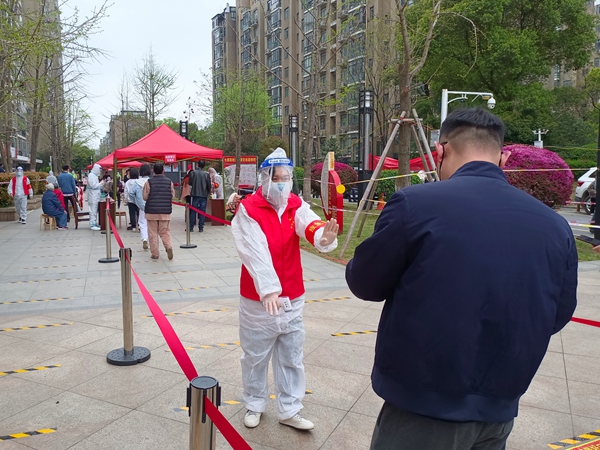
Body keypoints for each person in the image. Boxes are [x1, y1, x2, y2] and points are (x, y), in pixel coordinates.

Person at [345, 108, 578, 450]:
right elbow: (559, 313)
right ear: (504, 157)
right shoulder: (554, 225)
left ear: (439, 151)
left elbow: (365, 282)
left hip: (422, 405)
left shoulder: (415, 204)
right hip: (500, 407)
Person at [231, 148, 339, 431]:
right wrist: (268, 289)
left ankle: (290, 409)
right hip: (258, 300)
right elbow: (253, 250)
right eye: (276, 178)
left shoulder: (295, 204)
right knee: (255, 357)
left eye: (286, 178)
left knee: (291, 356)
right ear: (265, 179)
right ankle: (254, 404)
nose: (281, 183)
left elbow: (310, 224)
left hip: (292, 293)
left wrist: (323, 237)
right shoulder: (249, 209)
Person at [142, 163, 174, 260]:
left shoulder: (149, 182)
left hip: (151, 212)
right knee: (164, 232)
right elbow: (172, 196)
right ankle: (168, 246)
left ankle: (155, 253)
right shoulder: (169, 182)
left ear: (153, 171)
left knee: (153, 233)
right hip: (165, 212)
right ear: (163, 171)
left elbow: (145, 197)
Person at [130, 164, 151, 250]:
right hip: (152, 205)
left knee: (142, 222)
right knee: (151, 223)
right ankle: (151, 240)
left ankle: (144, 238)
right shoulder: (151, 181)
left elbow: (131, 193)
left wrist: (136, 201)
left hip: (142, 206)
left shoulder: (137, 182)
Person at [188, 160, 212, 232]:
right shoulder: (206, 174)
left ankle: (191, 227)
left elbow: (190, 183)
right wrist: (208, 193)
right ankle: (201, 227)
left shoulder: (193, 173)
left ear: (197, 165)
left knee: (193, 211)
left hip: (195, 194)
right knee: (202, 212)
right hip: (204, 195)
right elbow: (209, 185)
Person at [87, 163, 104, 231]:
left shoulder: (94, 176)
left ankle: (94, 222)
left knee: (95, 209)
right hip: (93, 195)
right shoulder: (91, 175)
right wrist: (101, 183)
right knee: (93, 210)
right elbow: (93, 185)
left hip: (95, 195)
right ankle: (92, 224)